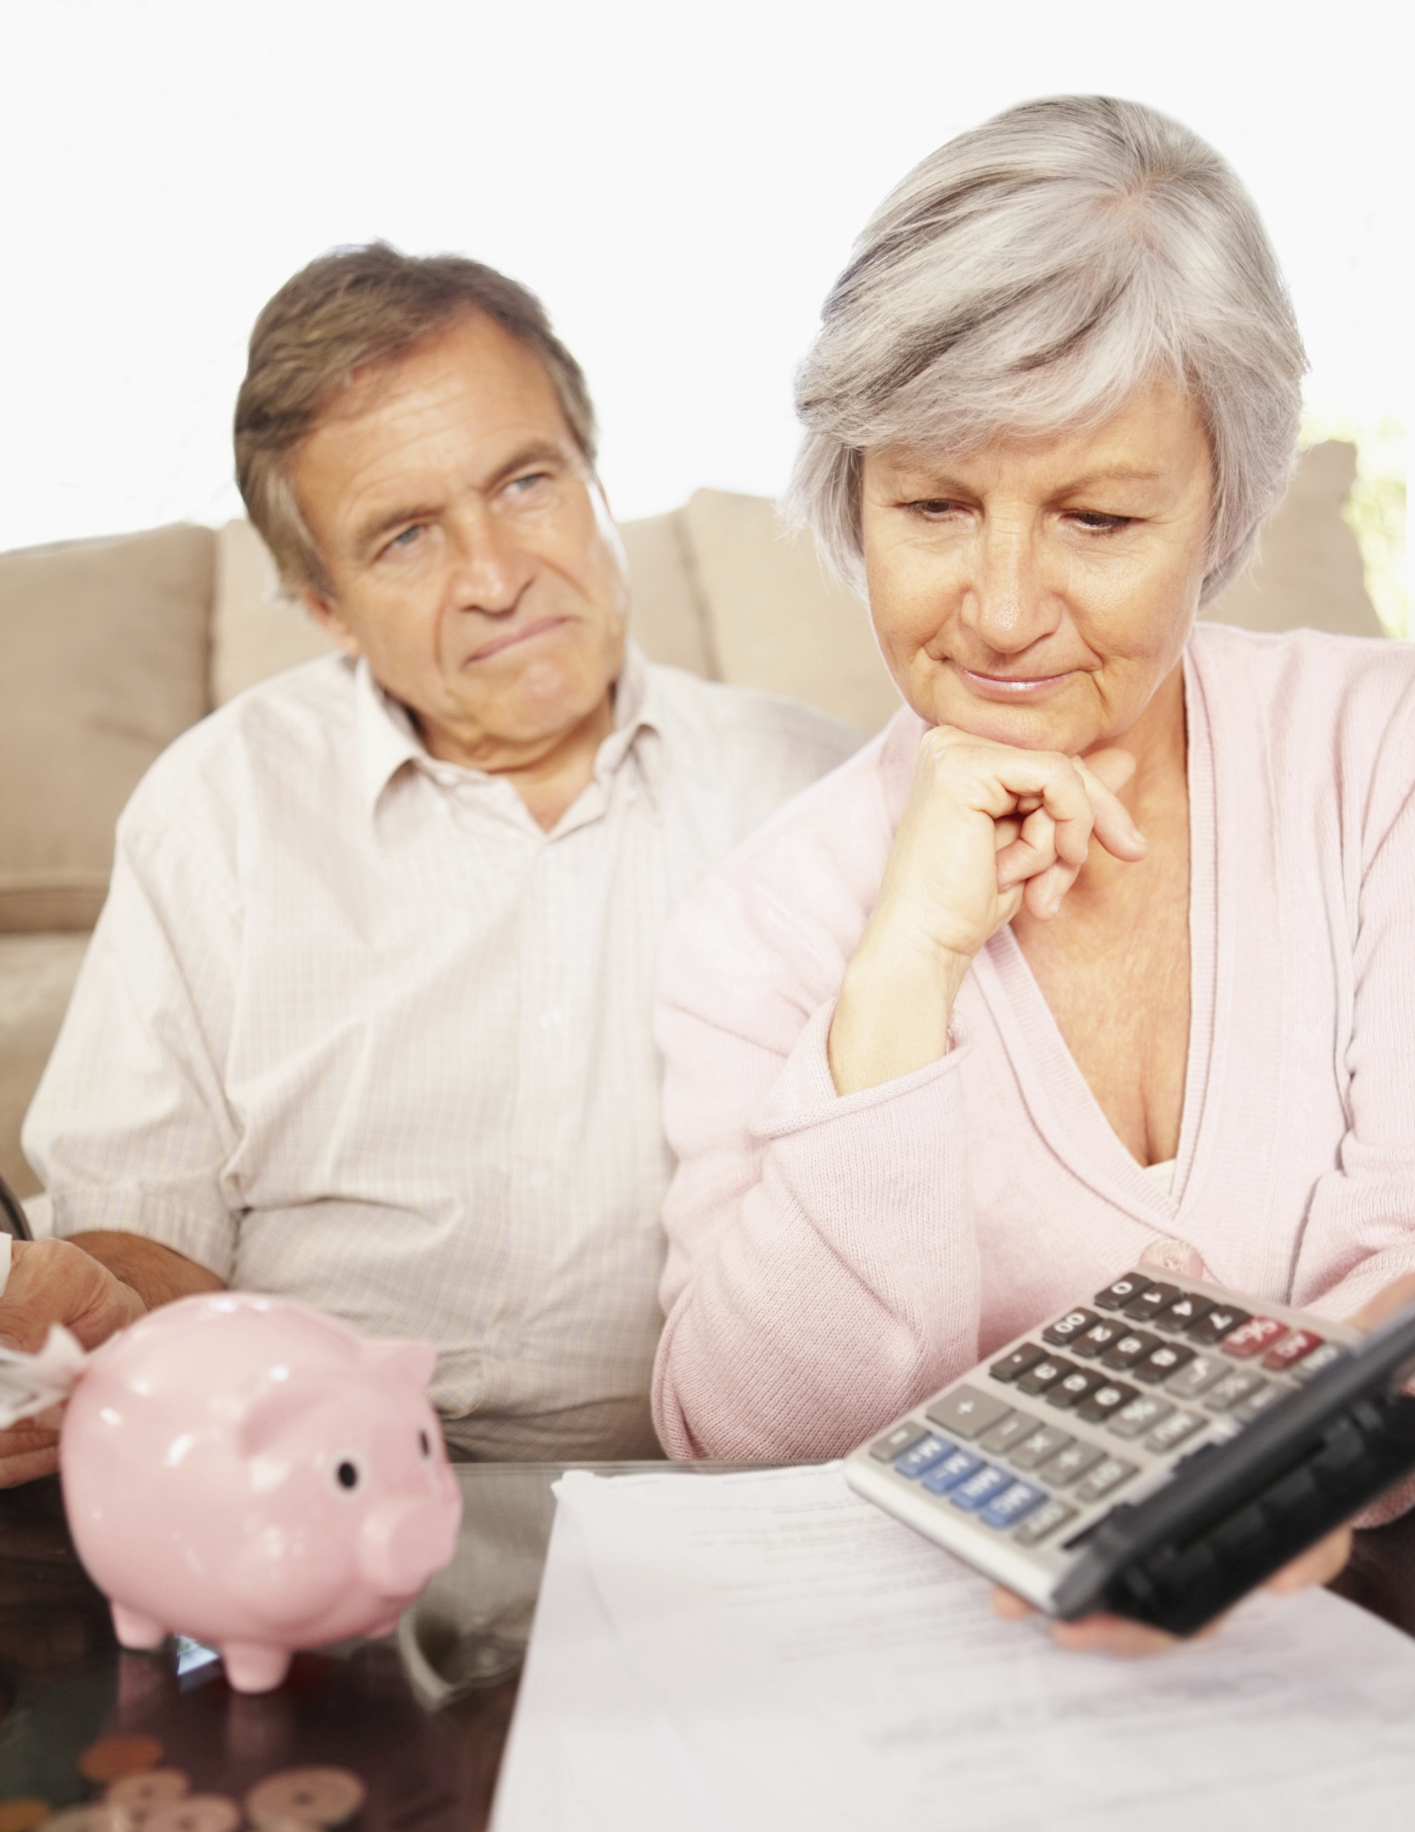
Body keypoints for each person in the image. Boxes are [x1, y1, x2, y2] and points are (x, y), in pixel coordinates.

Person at [651, 97, 1415, 1645]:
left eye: (1097, 516)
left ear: (1222, 509)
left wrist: (1263, 1483)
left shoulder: (1374, 755)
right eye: (932, 506)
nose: (1000, 612)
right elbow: (737, 1441)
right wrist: (901, 976)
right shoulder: (759, 928)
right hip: (938, 1682)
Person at [0, 245, 857, 1487]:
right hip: (305, 1491)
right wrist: (92, 1322)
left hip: (709, 1497)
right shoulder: (219, 803)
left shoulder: (814, 795)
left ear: (593, 477)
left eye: (523, 482)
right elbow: (145, 1223)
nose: (498, 576)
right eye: (404, 536)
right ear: (325, 605)